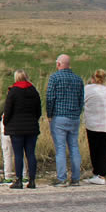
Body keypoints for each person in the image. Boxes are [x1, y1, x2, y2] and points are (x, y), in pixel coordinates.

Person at [46, 54, 85, 187]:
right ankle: (75, 178)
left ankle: (62, 178)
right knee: (74, 147)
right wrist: (77, 113)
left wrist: (49, 115)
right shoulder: (78, 79)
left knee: (61, 148)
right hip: (74, 117)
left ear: (58, 64)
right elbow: (81, 99)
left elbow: (50, 98)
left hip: (59, 117)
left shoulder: (54, 78)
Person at [3, 70, 41, 189]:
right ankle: (32, 180)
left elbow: (8, 110)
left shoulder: (13, 91)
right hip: (31, 127)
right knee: (30, 153)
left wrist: (6, 122)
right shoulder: (33, 91)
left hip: (16, 128)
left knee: (18, 154)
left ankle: (19, 180)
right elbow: (38, 110)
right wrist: (34, 120)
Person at [84, 69, 106, 185]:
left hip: (93, 123)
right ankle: (102, 174)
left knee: (94, 149)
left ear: (92, 79)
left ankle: (97, 173)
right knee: (104, 150)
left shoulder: (87, 89)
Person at [0, 99, 29, 186]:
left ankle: (8, 177)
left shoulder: (5, 102)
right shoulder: (22, 102)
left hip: (5, 132)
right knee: (19, 154)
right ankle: (24, 176)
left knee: (7, 155)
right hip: (18, 131)